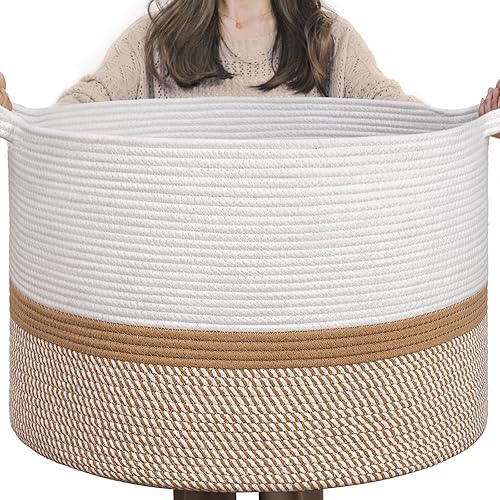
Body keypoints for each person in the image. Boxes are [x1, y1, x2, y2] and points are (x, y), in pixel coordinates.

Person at [0, 2, 499, 500]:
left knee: (295, 477)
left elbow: (389, 111)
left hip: (299, 326)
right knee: (197, 475)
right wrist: (20, 120)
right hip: (192, 328)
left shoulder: (323, 38)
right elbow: (91, 105)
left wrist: (468, 125)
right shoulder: (160, 38)